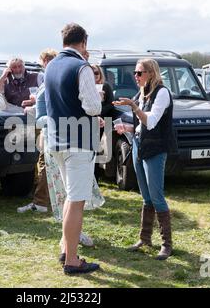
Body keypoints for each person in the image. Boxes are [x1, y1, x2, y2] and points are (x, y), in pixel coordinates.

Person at [45, 23, 102, 274]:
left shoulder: (51, 66)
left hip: (57, 139)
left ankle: (64, 249)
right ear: (84, 42)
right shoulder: (81, 67)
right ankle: (71, 260)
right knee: (77, 201)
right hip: (79, 141)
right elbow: (92, 107)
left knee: (70, 197)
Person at [113, 58, 177, 260]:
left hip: (155, 148)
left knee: (157, 196)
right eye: (135, 72)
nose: (135, 76)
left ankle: (167, 245)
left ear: (151, 73)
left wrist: (133, 106)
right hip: (140, 146)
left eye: (139, 73)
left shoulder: (162, 93)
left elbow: (150, 121)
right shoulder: (142, 94)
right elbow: (141, 126)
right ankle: (145, 238)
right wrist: (127, 128)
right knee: (146, 197)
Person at [17, 49, 58, 214]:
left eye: (43, 63)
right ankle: (44, 199)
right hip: (49, 128)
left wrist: (33, 108)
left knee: (46, 165)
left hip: (51, 129)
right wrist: (34, 106)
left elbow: (51, 106)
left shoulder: (51, 80)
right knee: (44, 164)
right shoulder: (50, 79)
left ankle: (41, 201)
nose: (42, 66)